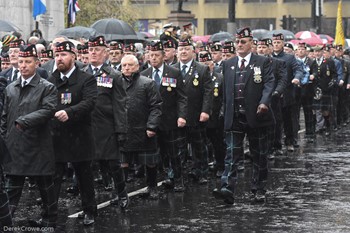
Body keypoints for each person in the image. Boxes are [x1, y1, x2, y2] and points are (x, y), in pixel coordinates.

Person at [212, 27, 275, 204]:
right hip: (234, 117)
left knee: (259, 155)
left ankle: (259, 188)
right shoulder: (228, 64)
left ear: (251, 44)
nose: (239, 45)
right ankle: (227, 188)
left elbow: (269, 84)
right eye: (237, 42)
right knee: (231, 154)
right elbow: (223, 92)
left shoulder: (262, 62)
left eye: (243, 42)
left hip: (256, 117)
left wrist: (264, 102)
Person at [0, 44, 58, 228]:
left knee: (46, 189)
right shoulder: (11, 88)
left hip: (38, 146)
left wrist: (24, 121)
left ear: (37, 63)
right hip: (14, 147)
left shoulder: (47, 87)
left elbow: (49, 110)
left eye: (28, 62)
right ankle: (5, 224)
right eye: (21, 61)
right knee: (11, 191)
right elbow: (4, 116)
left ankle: (50, 221)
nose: (23, 65)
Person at [48, 41, 98, 226]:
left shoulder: (86, 78)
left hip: (79, 135)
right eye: (57, 56)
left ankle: (90, 211)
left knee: (84, 176)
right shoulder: (50, 79)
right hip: (57, 136)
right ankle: (49, 215)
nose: (59, 59)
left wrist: (70, 112)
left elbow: (90, 102)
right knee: (54, 178)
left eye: (63, 55)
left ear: (73, 56)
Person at [82, 35, 129, 209]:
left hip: (107, 126)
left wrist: (121, 130)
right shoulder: (82, 73)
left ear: (105, 53)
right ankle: (89, 202)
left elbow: (120, 104)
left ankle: (122, 194)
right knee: (87, 166)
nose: (93, 53)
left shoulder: (114, 75)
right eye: (91, 50)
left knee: (113, 163)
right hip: (86, 127)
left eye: (97, 50)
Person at [141, 41, 187, 192]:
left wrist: (181, 116)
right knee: (152, 155)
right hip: (151, 123)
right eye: (151, 55)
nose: (153, 58)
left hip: (169, 120)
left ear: (163, 56)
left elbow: (181, 97)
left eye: (156, 55)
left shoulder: (174, 72)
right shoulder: (144, 75)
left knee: (173, 153)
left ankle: (178, 180)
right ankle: (154, 183)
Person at [120, 55, 162, 199]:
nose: (127, 68)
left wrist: (151, 126)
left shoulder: (147, 83)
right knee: (123, 163)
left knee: (150, 162)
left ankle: (152, 187)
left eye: (130, 65)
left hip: (144, 129)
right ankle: (121, 192)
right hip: (124, 130)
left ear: (137, 66)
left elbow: (156, 107)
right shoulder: (117, 83)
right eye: (124, 65)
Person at [174, 37, 212, 184]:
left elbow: (208, 93)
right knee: (178, 148)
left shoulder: (202, 69)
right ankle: (177, 175)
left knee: (199, 146)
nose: (183, 52)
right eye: (181, 49)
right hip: (178, 116)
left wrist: (205, 111)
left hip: (196, 114)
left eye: (186, 49)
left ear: (193, 51)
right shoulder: (172, 68)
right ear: (177, 52)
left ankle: (202, 173)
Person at [272, 33, 303, 152]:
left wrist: (297, 78)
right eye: (274, 42)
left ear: (283, 44)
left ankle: (290, 141)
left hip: (287, 93)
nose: (276, 45)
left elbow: (298, 70)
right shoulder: (268, 58)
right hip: (274, 93)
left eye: (278, 42)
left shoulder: (289, 58)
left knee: (287, 119)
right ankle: (276, 145)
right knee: (276, 121)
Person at [198, 51, 225, 177]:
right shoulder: (196, 77)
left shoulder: (219, 78)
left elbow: (224, 98)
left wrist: (222, 113)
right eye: (202, 63)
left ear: (212, 64)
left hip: (215, 117)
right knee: (201, 144)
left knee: (218, 143)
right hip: (199, 116)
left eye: (207, 63)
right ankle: (202, 167)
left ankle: (220, 165)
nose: (205, 66)